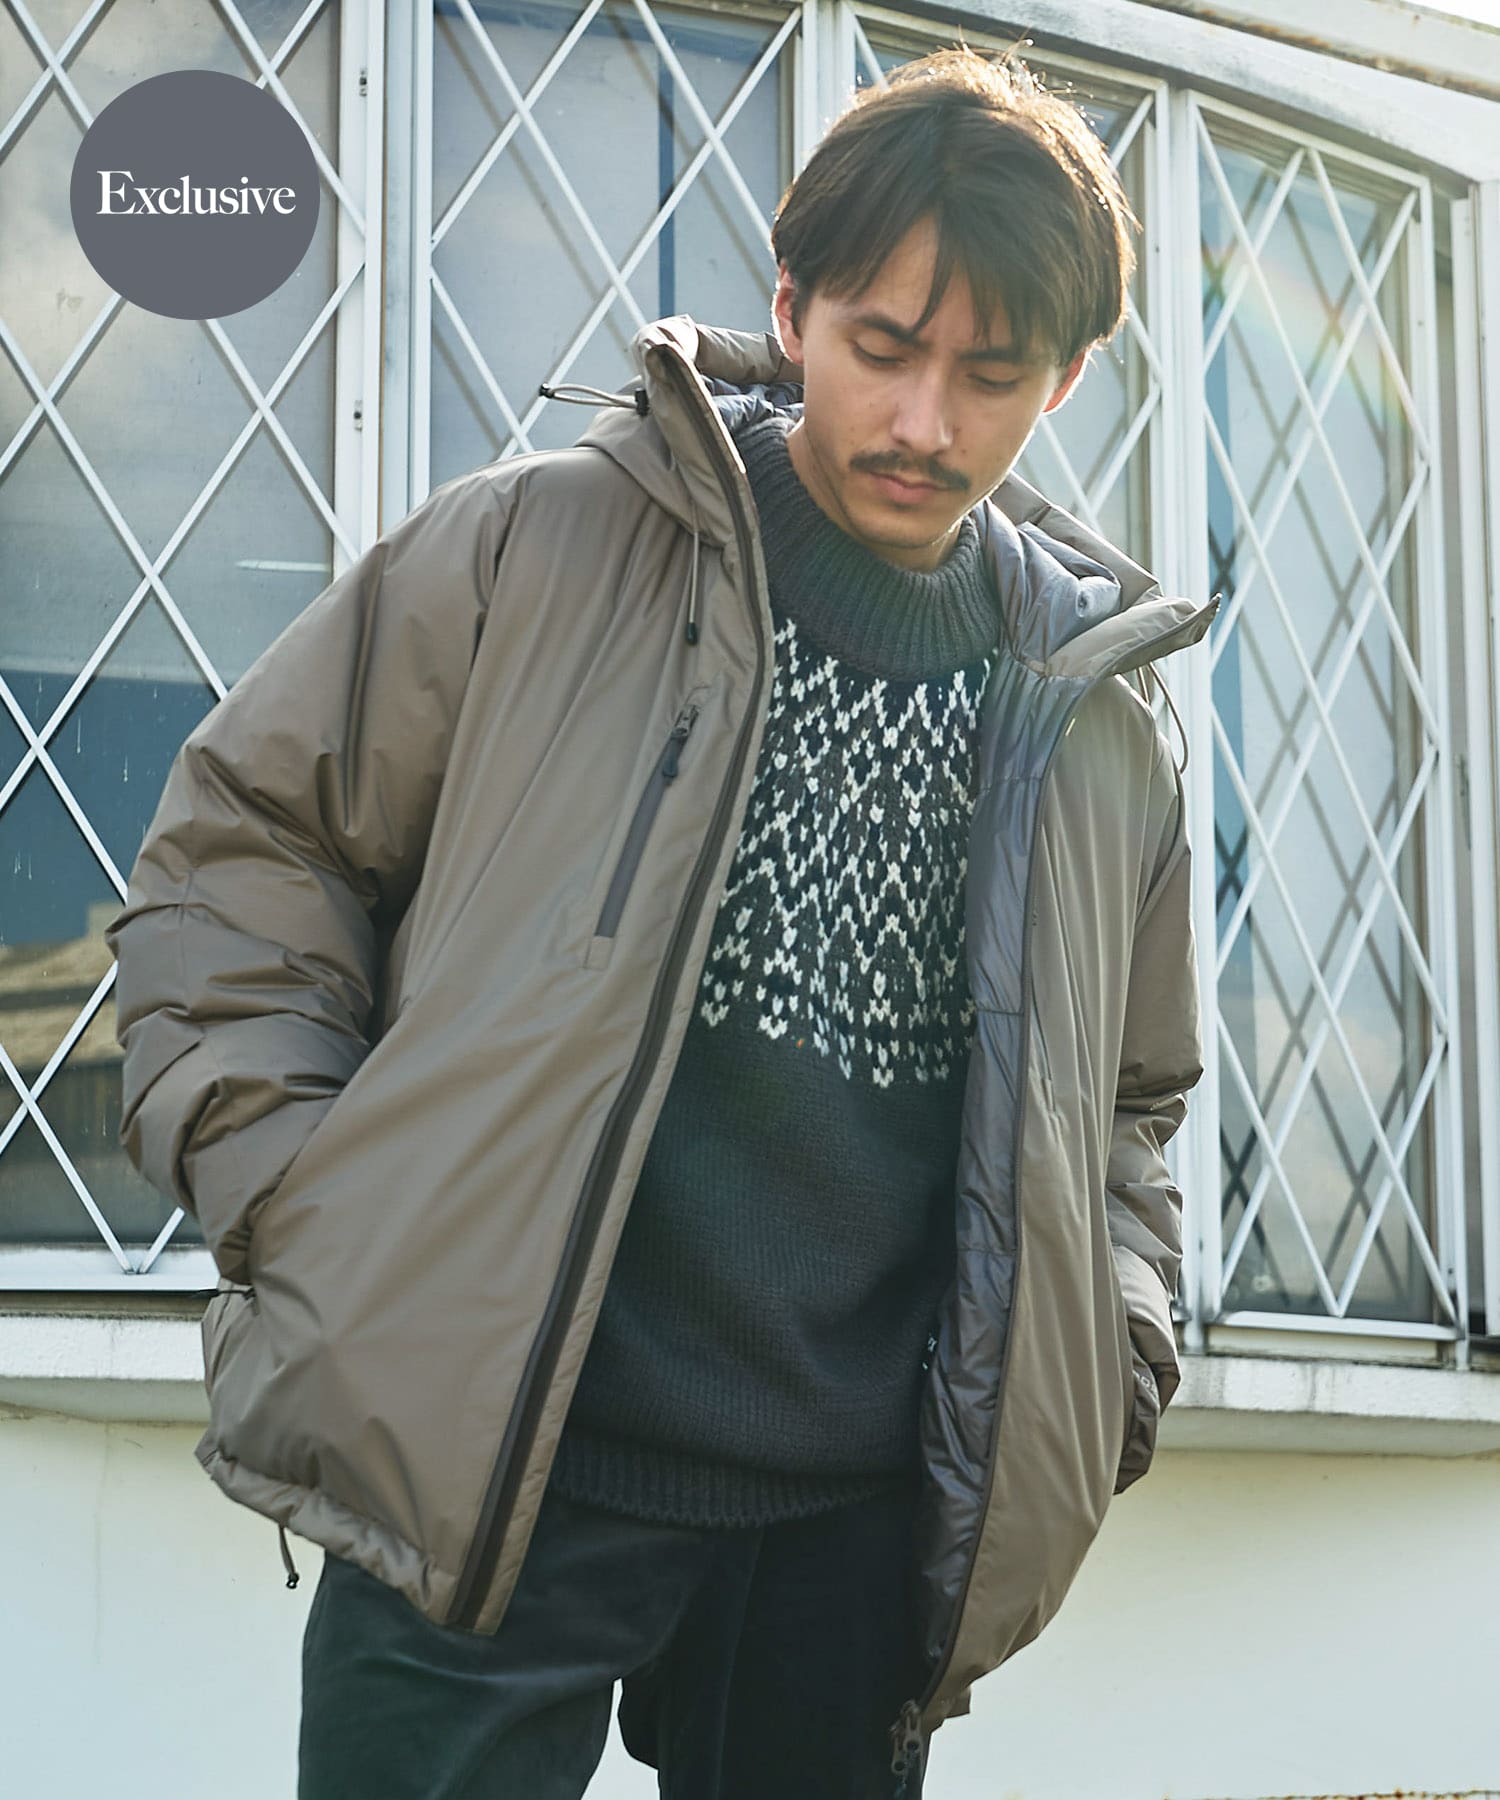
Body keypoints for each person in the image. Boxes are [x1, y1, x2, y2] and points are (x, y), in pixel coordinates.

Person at [107, 44, 1213, 1800]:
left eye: (991, 376)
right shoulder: (533, 552)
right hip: (493, 1460)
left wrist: (1111, 1356)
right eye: (882, 348)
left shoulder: (1097, 726)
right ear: (790, 304)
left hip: (857, 1534)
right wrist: (320, 1215)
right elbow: (239, 857)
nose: (925, 424)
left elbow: (1131, 1113)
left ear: (1068, 376)